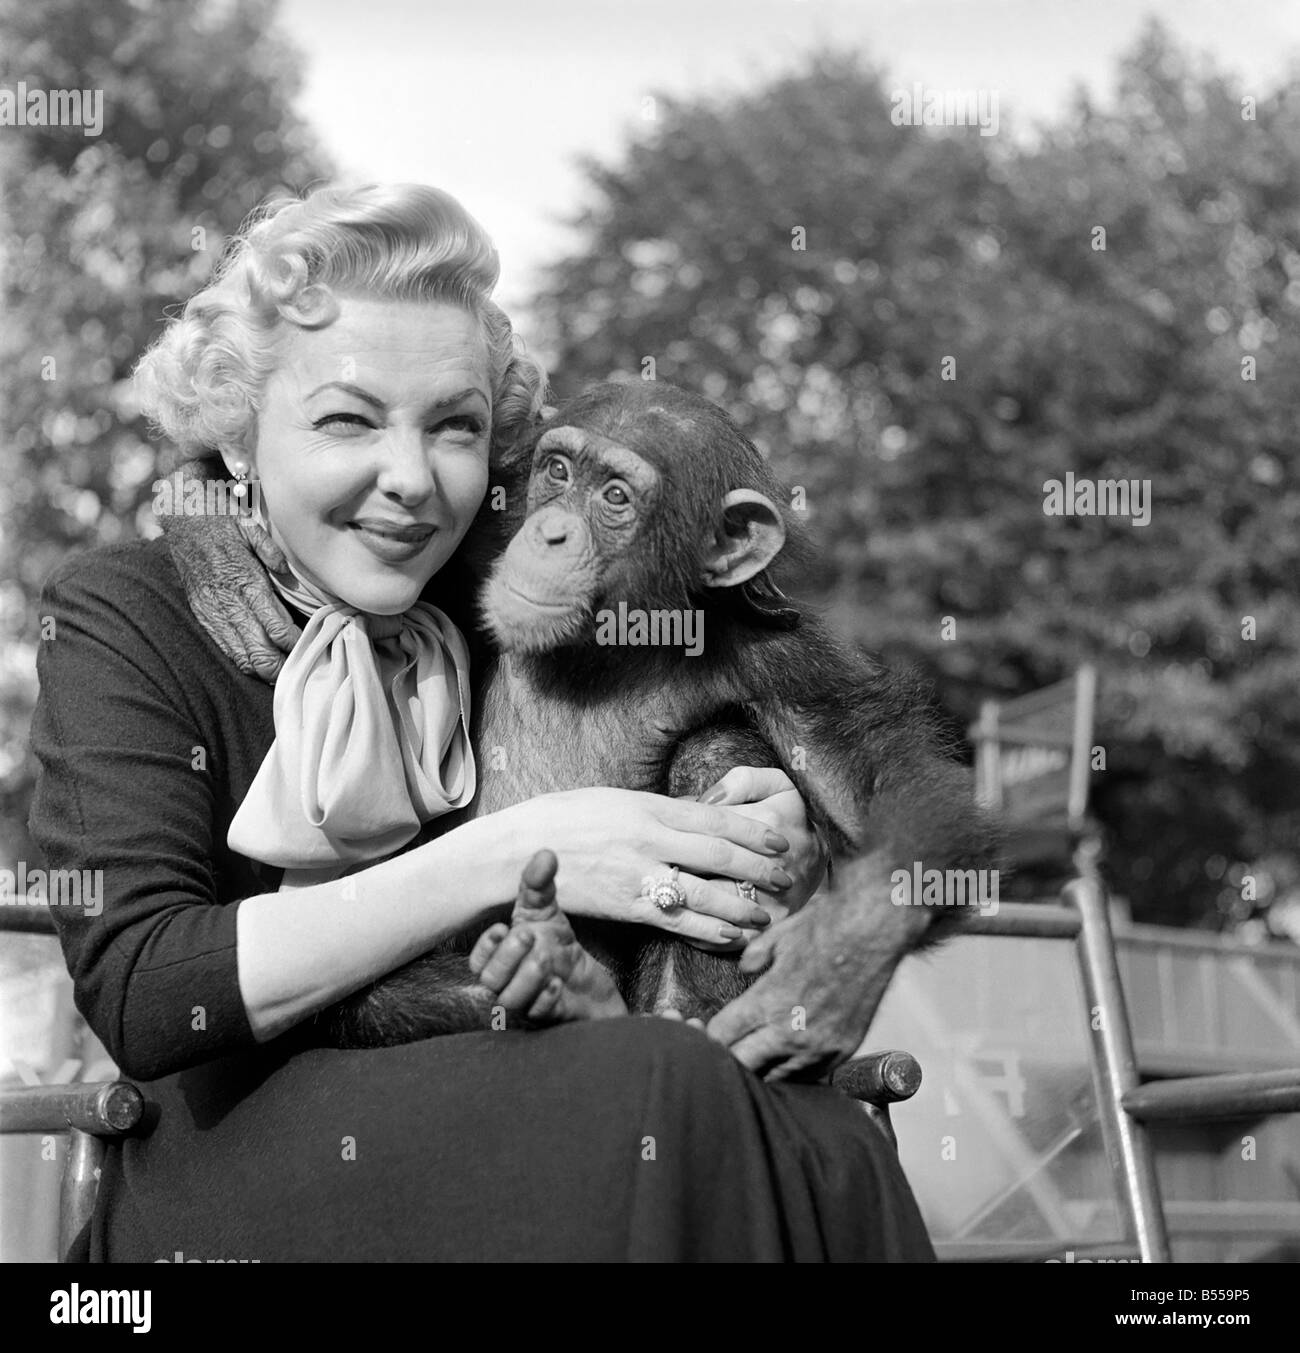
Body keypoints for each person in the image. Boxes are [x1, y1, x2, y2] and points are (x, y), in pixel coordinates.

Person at [29, 182, 936, 1261]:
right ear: (236, 439)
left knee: (828, 1134)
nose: (411, 482)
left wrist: (754, 813)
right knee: (662, 1080)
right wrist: (515, 852)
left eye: (453, 426)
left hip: (524, 1069)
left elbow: (755, 667)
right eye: (345, 419)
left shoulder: (490, 583)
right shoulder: (126, 610)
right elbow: (143, 992)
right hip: (229, 1152)